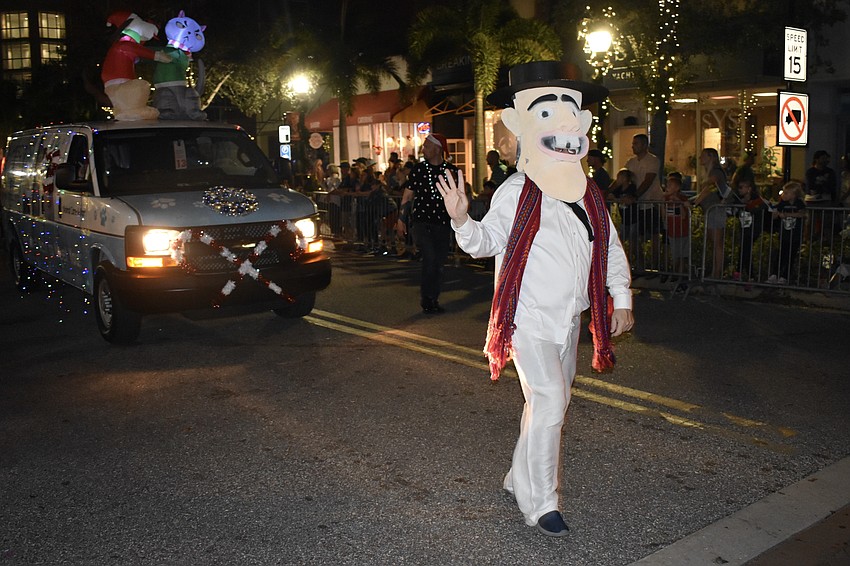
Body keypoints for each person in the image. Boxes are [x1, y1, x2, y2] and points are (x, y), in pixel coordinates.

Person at [436, 61, 633, 537]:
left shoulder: (588, 195)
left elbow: (607, 246)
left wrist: (620, 296)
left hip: (566, 322)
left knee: (548, 404)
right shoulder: (517, 190)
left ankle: (516, 476)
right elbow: (487, 242)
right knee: (549, 403)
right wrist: (463, 220)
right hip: (526, 321)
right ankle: (541, 502)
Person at [396, 133, 458, 313]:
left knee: (438, 262)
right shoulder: (419, 170)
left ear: (437, 149)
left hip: (443, 223)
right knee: (430, 259)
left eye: (426, 146)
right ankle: (427, 298)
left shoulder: (451, 171)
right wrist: (401, 219)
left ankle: (433, 298)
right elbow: (407, 195)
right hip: (422, 222)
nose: (423, 149)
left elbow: (459, 196)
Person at [625, 133, 664, 274]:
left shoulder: (653, 161)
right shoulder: (630, 162)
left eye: (636, 143)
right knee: (636, 238)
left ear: (644, 145)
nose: (633, 146)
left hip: (651, 202)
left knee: (654, 236)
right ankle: (640, 267)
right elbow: (624, 179)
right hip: (637, 205)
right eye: (633, 143)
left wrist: (634, 196)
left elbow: (648, 180)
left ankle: (656, 267)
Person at [693, 147, 731, 279]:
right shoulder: (708, 172)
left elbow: (709, 188)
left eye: (703, 156)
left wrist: (695, 202)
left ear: (711, 157)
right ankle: (716, 270)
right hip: (710, 209)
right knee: (714, 242)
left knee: (717, 242)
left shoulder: (715, 172)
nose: (700, 158)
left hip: (716, 209)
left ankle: (718, 272)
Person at [733, 177, 771, 283]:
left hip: (754, 229)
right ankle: (748, 275)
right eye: (738, 187)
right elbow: (734, 211)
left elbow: (757, 208)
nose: (739, 190)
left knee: (745, 249)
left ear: (749, 189)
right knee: (745, 250)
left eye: (741, 187)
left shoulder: (757, 199)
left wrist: (746, 204)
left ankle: (742, 272)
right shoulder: (738, 199)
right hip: (744, 228)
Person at [768, 181, 807, 285]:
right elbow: (776, 214)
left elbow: (802, 214)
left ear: (793, 194)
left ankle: (784, 276)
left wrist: (787, 214)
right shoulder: (783, 203)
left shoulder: (799, 203)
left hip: (795, 234)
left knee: (791, 255)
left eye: (786, 193)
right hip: (784, 234)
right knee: (781, 253)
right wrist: (775, 213)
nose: (783, 195)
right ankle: (774, 274)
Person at [663, 172, 691, 282]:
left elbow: (684, 215)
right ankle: (675, 273)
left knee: (683, 254)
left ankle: (681, 274)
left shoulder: (682, 198)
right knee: (675, 254)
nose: (667, 187)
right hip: (672, 231)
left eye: (670, 186)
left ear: (677, 188)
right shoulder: (666, 199)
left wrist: (679, 203)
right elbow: (664, 214)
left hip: (682, 230)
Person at [608, 167, 638, 246]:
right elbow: (611, 195)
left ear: (624, 179)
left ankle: (633, 256)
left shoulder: (632, 187)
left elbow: (627, 200)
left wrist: (616, 199)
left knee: (633, 241)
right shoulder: (619, 189)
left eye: (619, 178)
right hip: (624, 219)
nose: (617, 180)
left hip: (633, 218)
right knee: (621, 239)